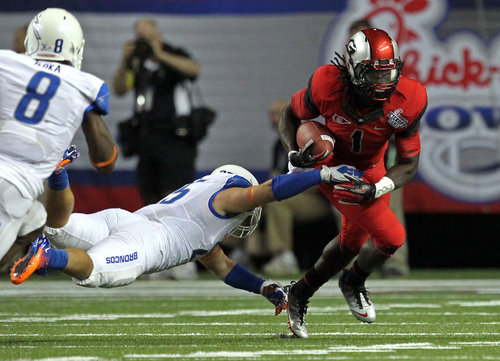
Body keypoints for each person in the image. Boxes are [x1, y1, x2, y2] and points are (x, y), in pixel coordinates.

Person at [10, 150, 361, 316]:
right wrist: (322, 175)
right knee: (97, 271)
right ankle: (46, 256)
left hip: (123, 220)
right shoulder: (228, 199)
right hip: (146, 240)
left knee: (55, 225)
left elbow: (223, 266)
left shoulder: (204, 205)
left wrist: (263, 287)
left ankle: (55, 177)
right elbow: (270, 191)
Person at [279, 28, 427, 338]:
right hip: (334, 168)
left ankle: (300, 294)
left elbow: (409, 163)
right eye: (373, 76)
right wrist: (294, 154)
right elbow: (289, 115)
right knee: (391, 236)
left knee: (349, 245)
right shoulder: (326, 84)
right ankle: (353, 281)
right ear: (352, 69)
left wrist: (376, 188)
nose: (383, 83)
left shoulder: (409, 98)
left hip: (373, 169)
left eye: (388, 73)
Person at [0, 8, 117, 265]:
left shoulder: (7, 62)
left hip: (9, 181)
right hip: (13, 187)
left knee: (36, 220)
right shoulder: (84, 85)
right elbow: (106, 163)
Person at [345, 19, 410, 277]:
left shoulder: (387, 73)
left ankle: (395, 263)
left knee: (389, 207)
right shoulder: (339, 78)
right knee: (349, 211)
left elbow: (404, 113)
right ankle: (353, 262)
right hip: (349, 158)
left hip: (384, 157)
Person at [112, 17, 200, 205]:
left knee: (175, 197)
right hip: (147, 139)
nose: (145, 44)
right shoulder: (138, 63)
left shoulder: (174, 54)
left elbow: (193, 70)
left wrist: (159, 54)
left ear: (158, 35)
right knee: (150, 197)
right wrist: (125, 60)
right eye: (140, 39)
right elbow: (119, 89)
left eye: (148, 38)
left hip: (175, 139)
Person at [248, 99, 335, 275]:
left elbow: (318, 181)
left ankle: (284, 257)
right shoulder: (278, 146)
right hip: (294, 194)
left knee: (277, 201)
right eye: (271, 115)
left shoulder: (309, 140)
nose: (274, 120)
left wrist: (287, 186)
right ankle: (248, 255)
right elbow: (274, 175)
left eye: (279, 115)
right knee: (252, 199)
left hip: (318, 200)